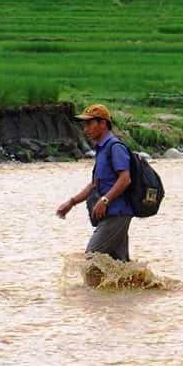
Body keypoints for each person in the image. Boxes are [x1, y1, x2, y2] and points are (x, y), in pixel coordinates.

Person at [56, 104, 134, 271]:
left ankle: (90, 297)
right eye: (85, 124)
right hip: (110, 214)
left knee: (91, 259)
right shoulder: (102, 149)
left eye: (89, 124)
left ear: (103, 124)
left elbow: (125, 179)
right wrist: (71, 202)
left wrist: (105, 200)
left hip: (117, 214)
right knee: (121, 269)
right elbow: (94, 184)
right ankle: (138, 292)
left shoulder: (115, 147)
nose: (85, 129)